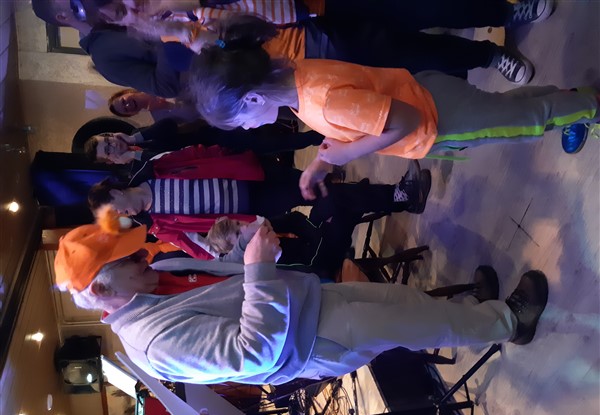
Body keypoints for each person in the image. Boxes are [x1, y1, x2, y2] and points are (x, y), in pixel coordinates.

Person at [54, 221, 549, 385]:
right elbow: (253, 352)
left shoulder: (154, 278)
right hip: (315, 339)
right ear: (100, 290)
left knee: (407, 303)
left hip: (311, 299)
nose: (144, 253)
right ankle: (509, 321)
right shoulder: (153, 344)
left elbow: (228, 286)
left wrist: (240, 247)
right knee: (421, 325)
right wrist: (257, 269)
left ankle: (478, 315)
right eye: (127, 258)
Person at [186, 15, 599, 198]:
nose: (248, 129)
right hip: (427, 92)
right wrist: (324, 162)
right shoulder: (296, 77)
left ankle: (589, 107)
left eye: (241, 122)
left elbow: (404, 121)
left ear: (252, 99)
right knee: (509, 110)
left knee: (523, 123)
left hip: (440, 119)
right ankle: (573, 101)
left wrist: (347, 154)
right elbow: (357, 117)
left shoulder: (323, 103)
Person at [32, 0, 554, 100]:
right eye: (108, 11)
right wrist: (191, 35)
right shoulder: (146, 37)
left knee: (414, 6)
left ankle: (505, 11)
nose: (119, 8)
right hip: (302, 41)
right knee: (407, 53)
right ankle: (487, 57)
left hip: (309, 3)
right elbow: (189, 73)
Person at [86, 158, 431, 260]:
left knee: (319, 186)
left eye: (114, 211)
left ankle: (394, 197)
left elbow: (199, 153)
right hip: (250, 212)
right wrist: (232, 243)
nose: (122, 217)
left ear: (115, 192)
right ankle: (398, 196)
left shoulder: (154, 168)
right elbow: (202, 250)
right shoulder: (158, 225)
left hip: (249, 174)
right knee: (322, 195)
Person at [84, 116, 322, 166]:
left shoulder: (138, 135)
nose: (113, 145)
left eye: (108, 140)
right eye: (108, 150)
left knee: (270, 143)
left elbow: (168, 125)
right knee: (269, 154)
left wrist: (134, 137)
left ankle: (317, 137)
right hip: (214, 164)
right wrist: (135, 155)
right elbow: (167, 160)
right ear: (110, 161)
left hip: (215, 137)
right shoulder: (136, 169)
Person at [206, 211, 361, 278]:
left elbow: (294, 218)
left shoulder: (260, 229)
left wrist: (317, 230)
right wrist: (321, 233)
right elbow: (310, 264)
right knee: (340, 216)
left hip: (316, 243)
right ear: (235, 250)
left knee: (328, 206)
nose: (244, 228)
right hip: (320, 263)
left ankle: (363, 194)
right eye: (238, 234)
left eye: (238, 223)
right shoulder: (266, 258)